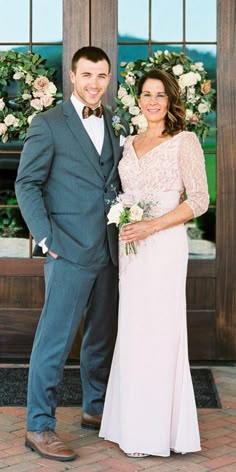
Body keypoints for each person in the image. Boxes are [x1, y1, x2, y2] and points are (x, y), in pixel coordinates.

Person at [15, 46, 128, 462]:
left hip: (111, 250)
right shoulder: (48, 123)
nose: (95, 84)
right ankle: (39, 426)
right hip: (67, 250)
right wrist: (46, 240)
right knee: (55, 341)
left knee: (101, 336)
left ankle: (94, 408)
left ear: (108, 77)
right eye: (87, 75)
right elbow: (26, 184)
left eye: (102, 76)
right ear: (72, 76)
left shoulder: (116, 122)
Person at [99, 69, 209, 457]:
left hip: (163, 245)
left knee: (160, 331)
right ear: (138, 99)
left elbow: (199, 200)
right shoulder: (127, 142)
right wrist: (128, 223)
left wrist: (152, 225)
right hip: (133, 250)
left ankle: (158, 432)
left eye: (160, 95)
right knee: (133, 329)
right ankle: (130, 423)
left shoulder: (185, 141)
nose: (152, 101)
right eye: (146, 94)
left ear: (171, 100)